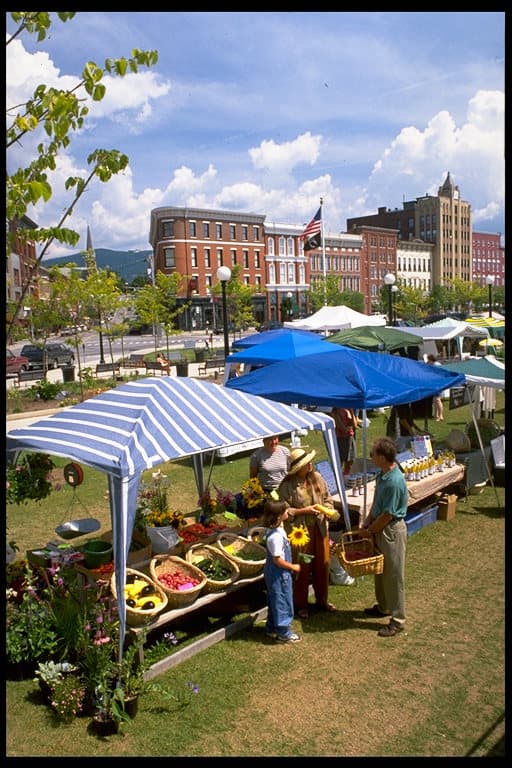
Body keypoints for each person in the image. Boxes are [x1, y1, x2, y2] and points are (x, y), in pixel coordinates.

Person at [278, 446, 339, 619]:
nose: (310, 464)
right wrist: (304, 511)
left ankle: (322, 600)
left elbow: (327, 499)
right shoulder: (287, 485)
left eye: (309, 462)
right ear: (298, 468)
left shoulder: (317, 478)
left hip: (319, 529)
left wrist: (327, 511)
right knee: (302, 568)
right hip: (300, 533)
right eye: (306, 463)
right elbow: (285, 511)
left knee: (323, 565)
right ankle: (301, 605)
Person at [361, 436, 408, 638]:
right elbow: (377, 504)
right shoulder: (382, 476)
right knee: (380, 570)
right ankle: (384, 606)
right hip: (380, 526)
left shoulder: (395, 482)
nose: (370, 456)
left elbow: (388, 514)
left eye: (373, 454)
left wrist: (370, 530)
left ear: (381, 457)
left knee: (394, 574)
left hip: (390, 530)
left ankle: (397, 620)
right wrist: (367, 520)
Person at [262, 500, 302, 644]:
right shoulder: (275, 537)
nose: (288, 512)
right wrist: (293, 567)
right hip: (279, 573)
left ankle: (271, 628)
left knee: (274, 600)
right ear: (279, 516)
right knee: (283, 601)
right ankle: (283, 634)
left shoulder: (277, 529)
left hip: (276, 573)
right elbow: (277, 560)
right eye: (285, 511)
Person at [331, 407, 358, 474]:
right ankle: (338, 477)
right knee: (340, 461)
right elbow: (342, 428)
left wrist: (351, 411)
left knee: (350, 461)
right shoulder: (335, 410)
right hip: (340, 438)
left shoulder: (349, 408)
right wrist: (347, 428)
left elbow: (355, 425)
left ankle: (345, 476)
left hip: (350, 437)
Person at [427, 354, 444, 421]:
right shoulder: (433, 364)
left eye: (428, 359)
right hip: (435, 384)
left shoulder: (437, 365)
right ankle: (436, 415)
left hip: (438, 384)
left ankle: (440, 415)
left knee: (437, 399)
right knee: (435, 400)